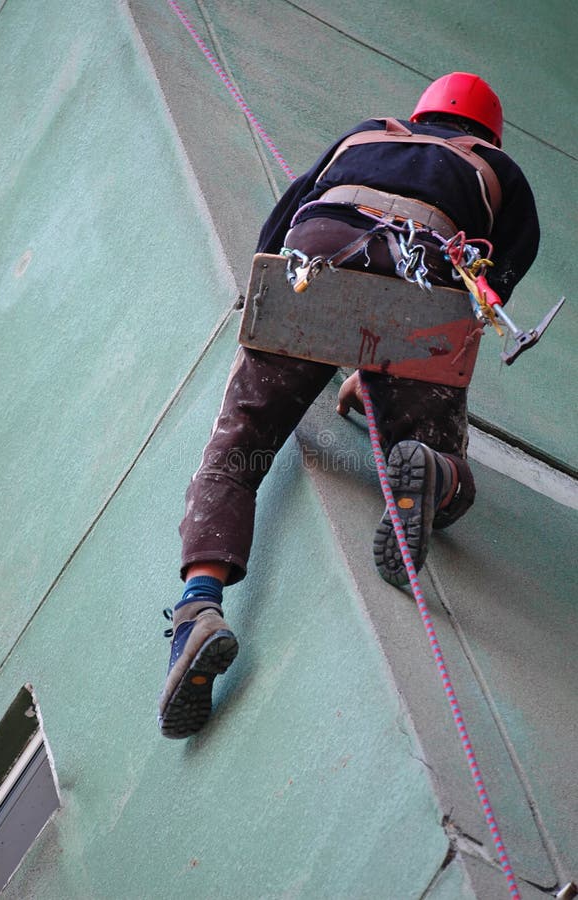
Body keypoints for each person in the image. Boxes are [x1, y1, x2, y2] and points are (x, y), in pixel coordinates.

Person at [158, 73, 540, 738]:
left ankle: (199, 608)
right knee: (428, 452)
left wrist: (277, 332)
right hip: (417, 277)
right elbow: (492, 285)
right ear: (486, 131)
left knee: (237, 445)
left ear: (419, 113)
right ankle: (429, 464)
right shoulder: (497, 169)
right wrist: (396, 378)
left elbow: (276, 231)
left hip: (313, 258)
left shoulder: (363, 133)